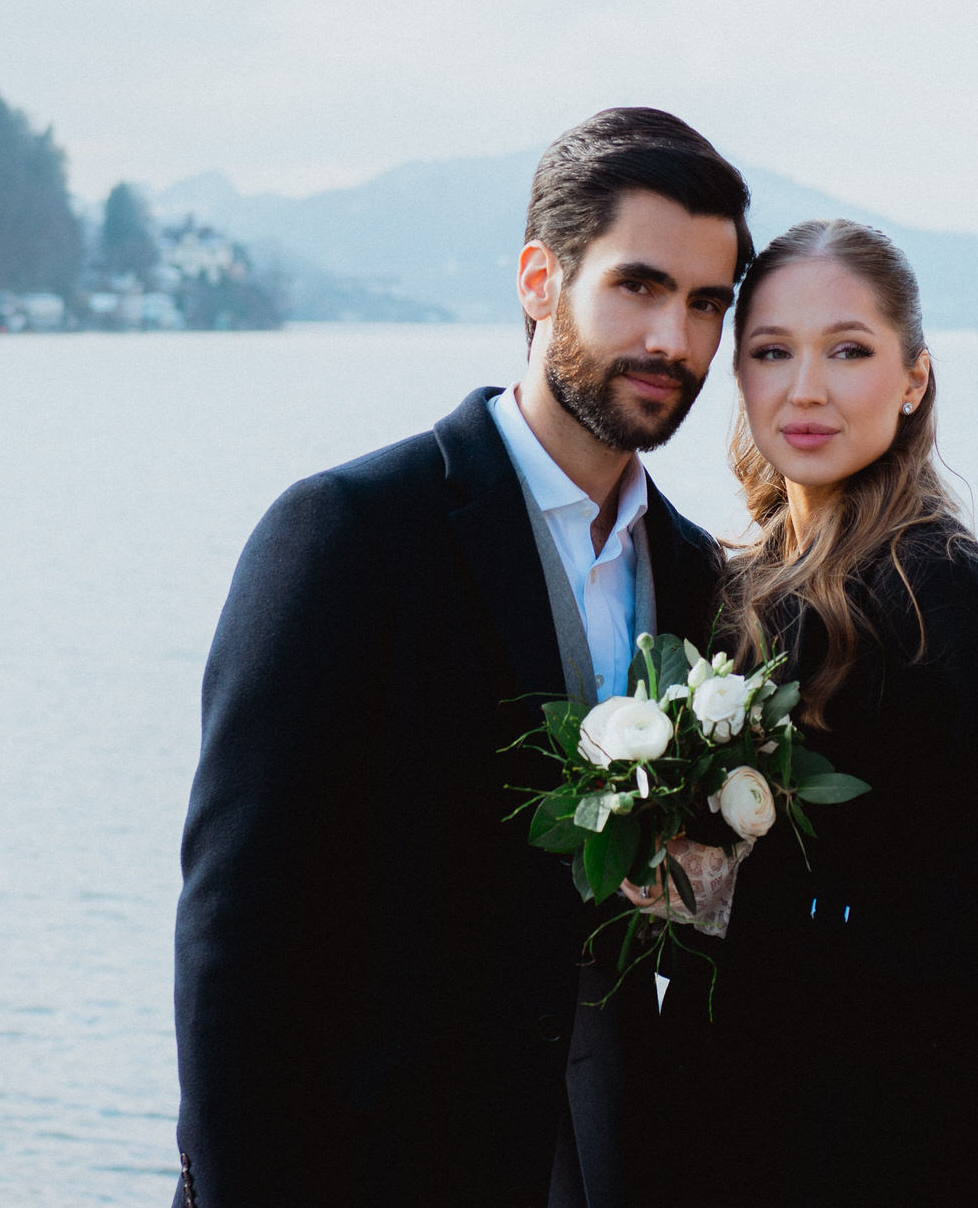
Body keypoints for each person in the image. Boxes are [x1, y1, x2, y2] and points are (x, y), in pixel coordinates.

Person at [169, 108, 751, 1207]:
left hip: (616, 1157)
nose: (674, 339)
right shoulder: (348, 535)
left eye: (706, 303)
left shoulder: (699, 582)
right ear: (540, 280)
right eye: (638, 285)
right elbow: (235, 936)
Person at [658, 219, 978, 1205]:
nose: (805, 387)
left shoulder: (934, 599)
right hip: (766, 1113)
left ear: (912, 379)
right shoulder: (741, 590)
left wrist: (763, 921)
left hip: (915, 1139)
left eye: (848, 351)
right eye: (771, 351)